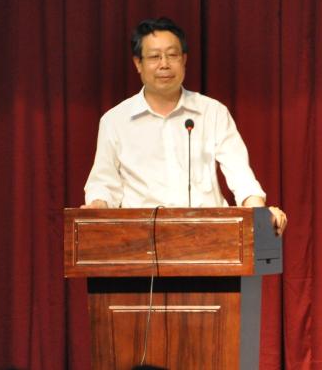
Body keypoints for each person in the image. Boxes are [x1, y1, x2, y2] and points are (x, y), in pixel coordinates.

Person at [83, 17, 287, 236]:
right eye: (154, 56)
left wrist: (259, 212)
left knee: (263, 243)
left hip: (209, 236)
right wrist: (97, 206)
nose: (164, 64)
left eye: (172, 55)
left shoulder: (212, 112)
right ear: (138, 63)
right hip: (140, 239)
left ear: (184, 59)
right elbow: (104, 182)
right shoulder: (115, 120)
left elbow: (240, 174)